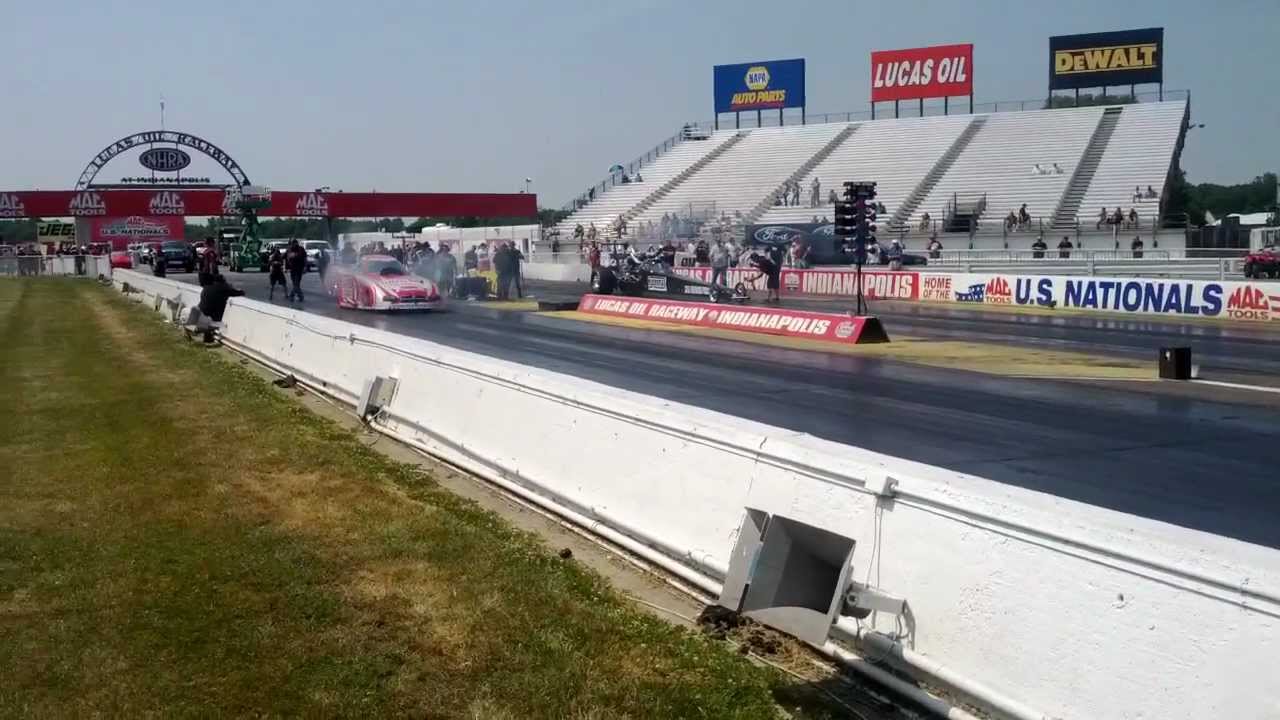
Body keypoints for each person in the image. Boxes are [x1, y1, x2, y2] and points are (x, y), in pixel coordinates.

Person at [193, 273, 244, 342]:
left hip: (199, 317)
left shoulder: (207, 287)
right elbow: (241, 293)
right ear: (223, 281)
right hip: (211, 319)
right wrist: (230, 287)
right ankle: (208, 335)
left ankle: (206, 336)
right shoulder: (223, 288)